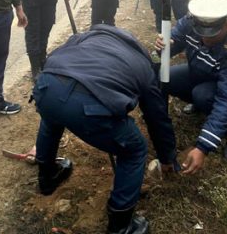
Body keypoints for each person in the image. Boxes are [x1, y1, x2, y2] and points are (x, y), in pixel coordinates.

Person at [32, 24, 178, 234]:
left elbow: (58, 54)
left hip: (47, 86)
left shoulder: (91, 36)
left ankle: (46, 178)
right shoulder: (143, 67)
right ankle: (121, 225)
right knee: (134, 148)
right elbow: (157, 117)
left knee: (52, 116)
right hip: (87, 107)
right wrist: (167, 156)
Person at [154, 0, 227, 168]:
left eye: (212, 35)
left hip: (219, 85)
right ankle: (198, 107)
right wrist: (165, 45)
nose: (206, 39)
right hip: (197, 72)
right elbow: (175, 40)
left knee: (202, 95)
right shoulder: (190, 22)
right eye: (202, 34)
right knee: (165, 77)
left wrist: (203, 146)